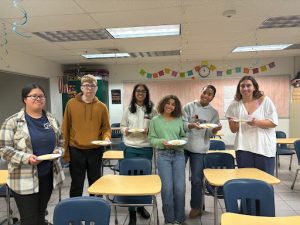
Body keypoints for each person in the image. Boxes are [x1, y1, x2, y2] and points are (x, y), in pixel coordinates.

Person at [0, 83, 65, 225]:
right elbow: (4, 150)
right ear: (25, 99)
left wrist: (58, 151)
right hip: (24, 180)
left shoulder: (51, 119)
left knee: (41, 215)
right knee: (29, 220)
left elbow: (61, 142)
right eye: (34, 96)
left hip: (47, 176)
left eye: (41, 96)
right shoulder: (12, 122)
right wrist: (26, 158)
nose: (38, 99)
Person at [62, 74, 111, 197]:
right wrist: (65, 152)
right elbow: (65, 128)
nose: (89, 88)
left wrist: (106, 138)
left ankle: (96, 209)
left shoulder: (102, 107)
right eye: (86, 85)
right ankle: (75, 209)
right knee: (76, 183)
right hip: (76, 150)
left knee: (96, 183)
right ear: (82, 88)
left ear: (96, 88)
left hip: (95, 150)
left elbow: (106, 128)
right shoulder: (71, 104)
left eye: (92, 86)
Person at [182, 85, 222, 219]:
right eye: (205, 92)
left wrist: (215, 130)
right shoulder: (189, 106)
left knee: (197, 179)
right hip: (183, 146)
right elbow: (182, 124)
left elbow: (210, 132)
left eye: (210, 94)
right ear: (201, 92)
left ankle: (196, 207)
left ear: (213, 97)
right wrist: (191, 125)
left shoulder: (213, 113)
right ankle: (178, 205)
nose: (206, 95)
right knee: (177, 178)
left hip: (200, 148)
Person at [120, 83, 158, 225]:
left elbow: (157, 126)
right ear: (134, 93)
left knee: (143, 180)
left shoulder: (152, 110)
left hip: (146, 148)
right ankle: (132, 212)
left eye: (143, 91)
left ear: (146, 93)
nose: (140, 93)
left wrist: (150, 131)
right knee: (130, 180)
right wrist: (125, 131)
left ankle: (141, 207)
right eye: (138, 91)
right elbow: (122, 125)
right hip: (130, 147)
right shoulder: (128, 109)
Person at [225, 75, 278, 175]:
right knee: (246, 180)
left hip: (263, 148)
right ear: (239, 88)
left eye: (248, 85)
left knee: (265, 181)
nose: (245, 88)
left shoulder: (265, 101)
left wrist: (256, 122)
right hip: (243, 148)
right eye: (242, 86)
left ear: (254, 87)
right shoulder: (235, 104)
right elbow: (233, 130)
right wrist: (234, 123)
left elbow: (273, 123)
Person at [148, 95, 186, 225]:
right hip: (163, 156)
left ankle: (179, 219)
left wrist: (182, 142)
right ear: (163, 104)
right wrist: (161, 142)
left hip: (179, 154)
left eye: (173, 104)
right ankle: (169, 220)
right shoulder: (154, 120)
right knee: (167, 189)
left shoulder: (179, 119)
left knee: (180, 188)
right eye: (168, 103)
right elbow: (151, 139)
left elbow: (184, 136)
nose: (170, 106)